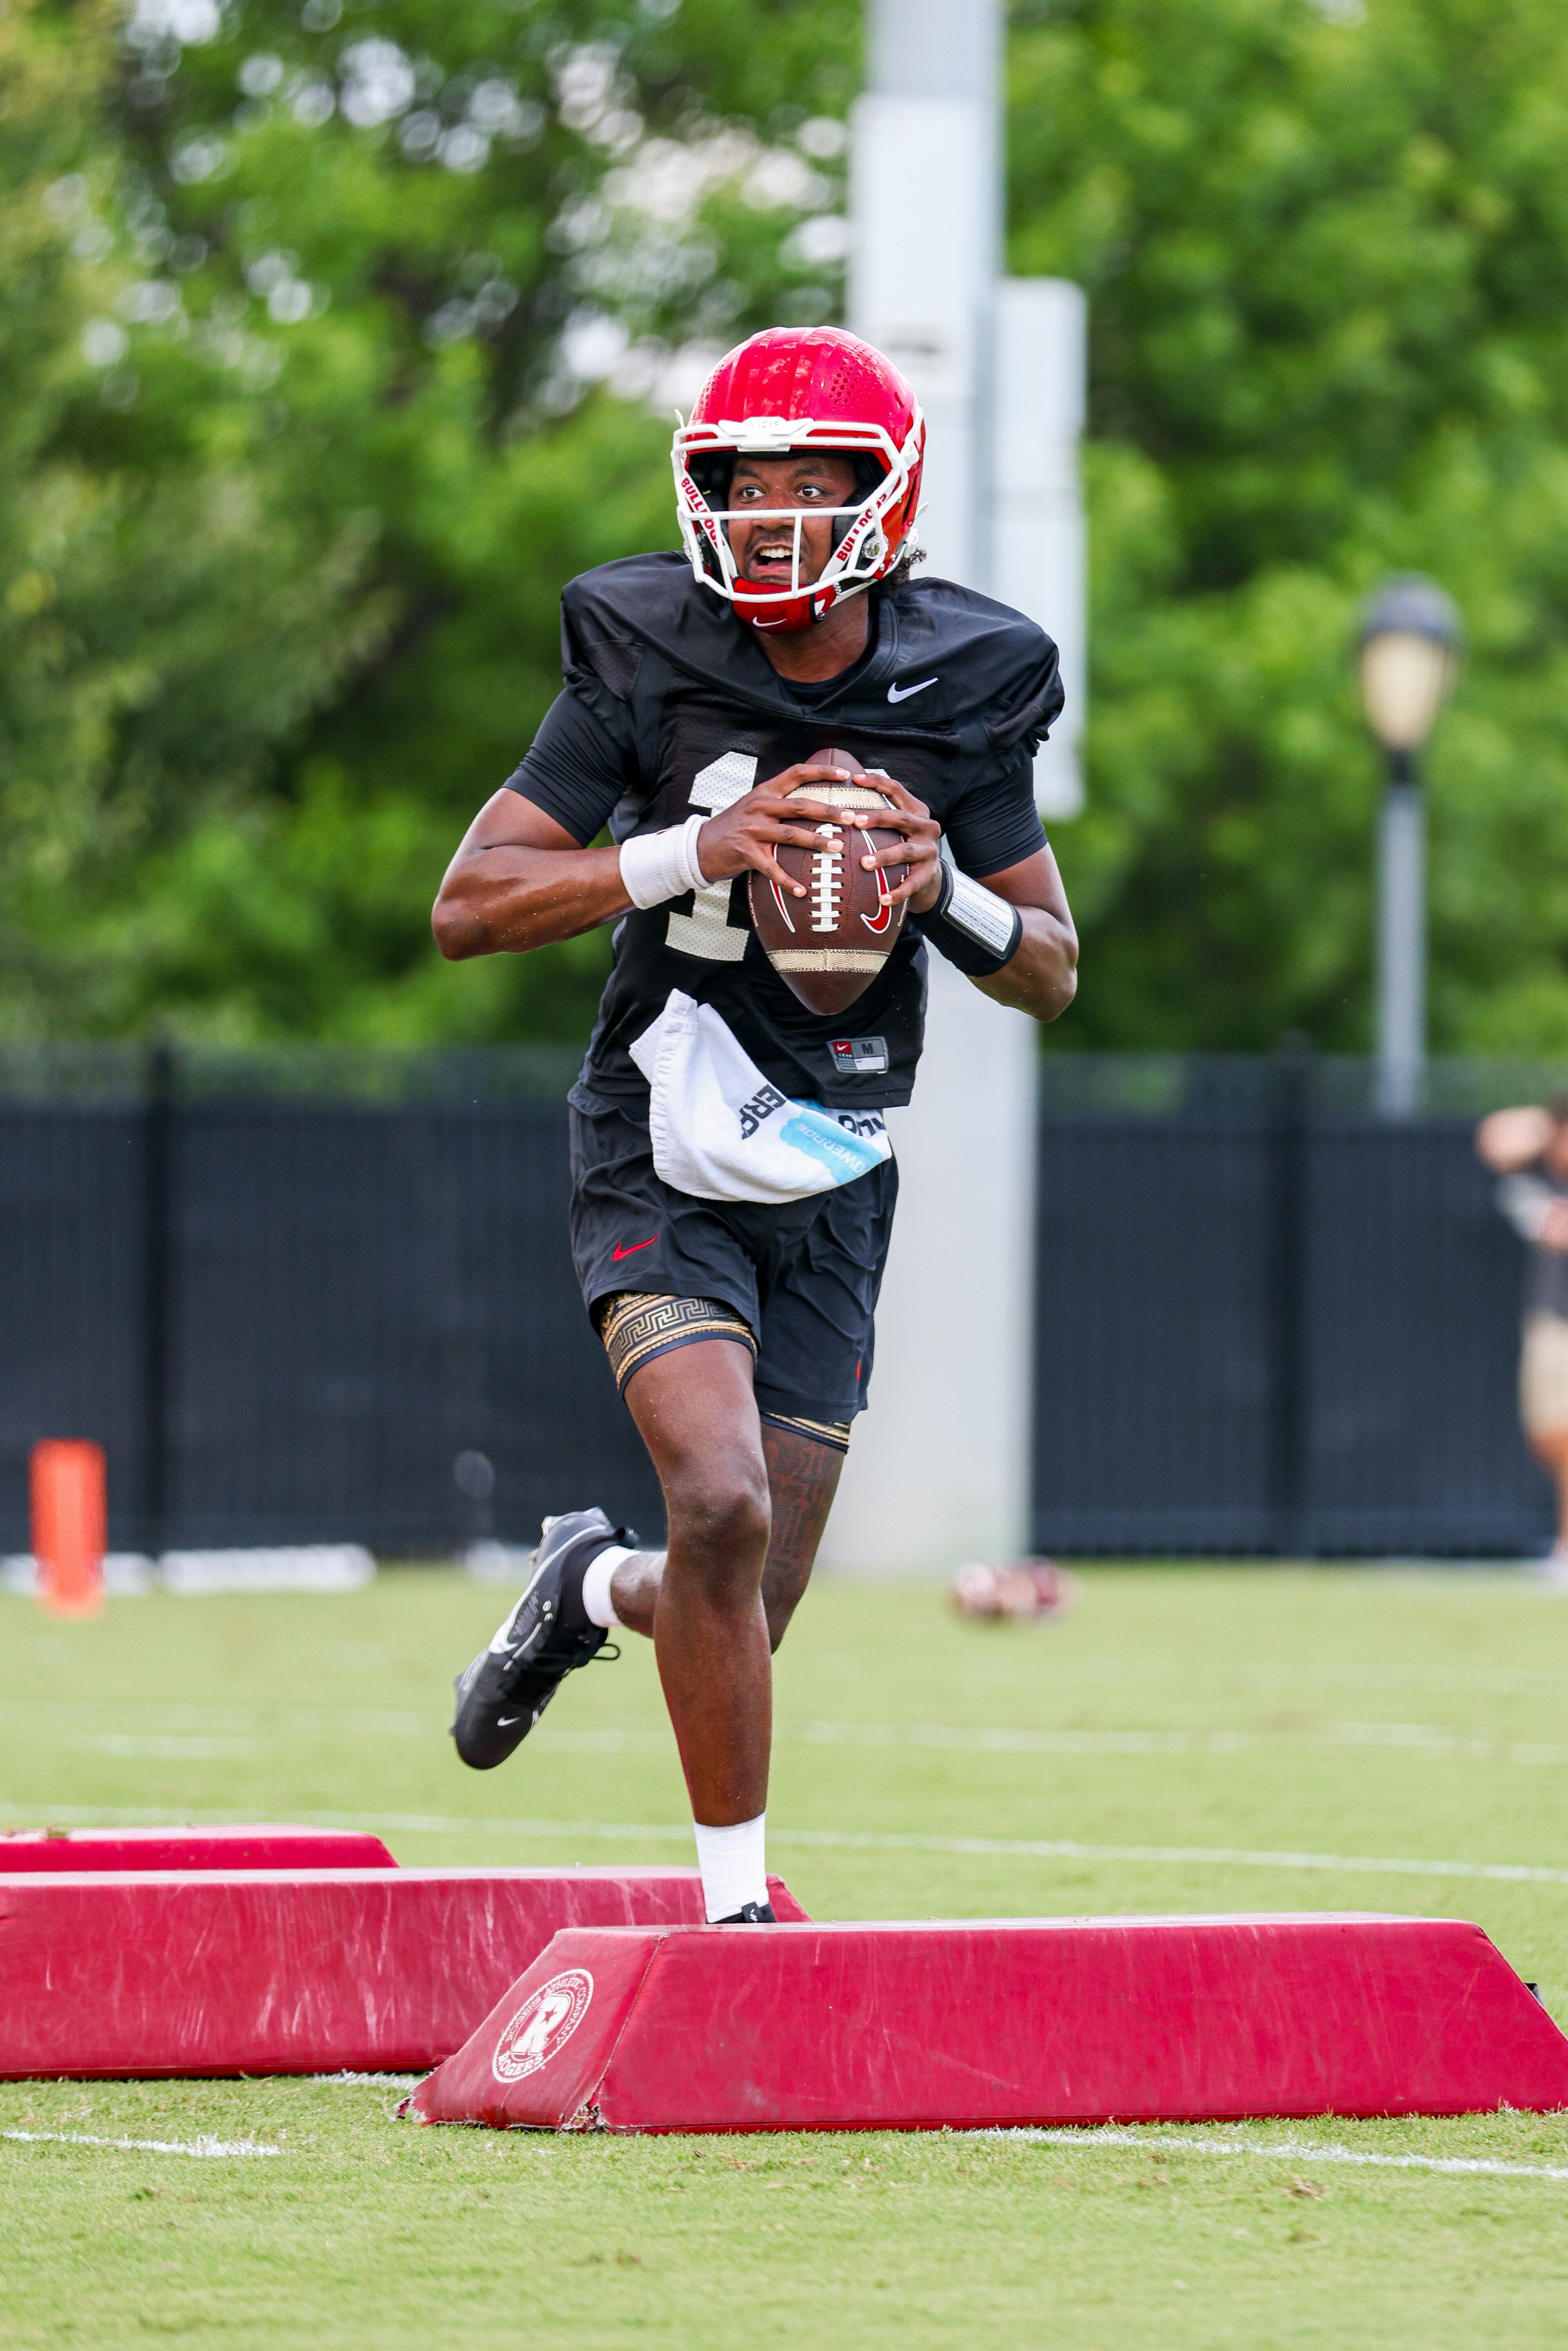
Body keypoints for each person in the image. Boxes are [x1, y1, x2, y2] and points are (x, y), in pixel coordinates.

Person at [431, 324, 1079, 1923]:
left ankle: (586, 1583)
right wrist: (692, 848)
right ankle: (735, 1908)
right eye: (746, 480)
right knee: (719, 1501)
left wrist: (949, 905)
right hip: (659, 1134)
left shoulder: (965, 678)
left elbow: (1053, 967)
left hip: (837, 1167)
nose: (773, 512)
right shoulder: (644, 643)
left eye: (811, 482)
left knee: (735, 1592)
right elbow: (470, 903)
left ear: (886, 495)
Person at [1477, 1099, 1568, 1575]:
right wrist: (1547, 1122)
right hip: (1552, 1319)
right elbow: (1495, 1139)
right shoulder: (1544, 1176)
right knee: (1550, 1437)